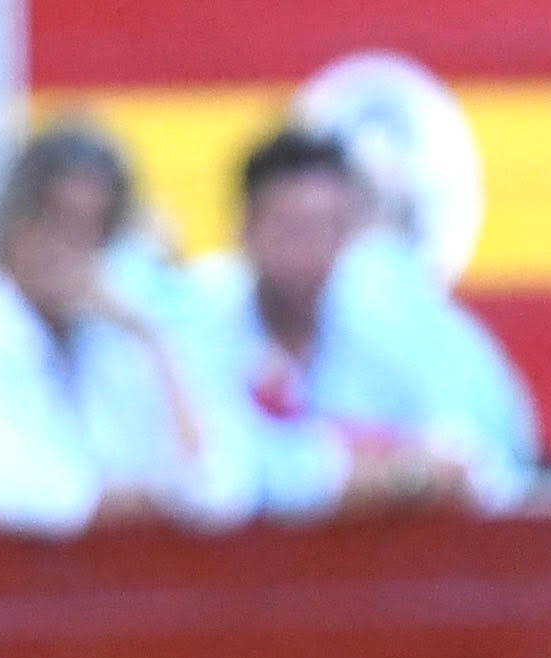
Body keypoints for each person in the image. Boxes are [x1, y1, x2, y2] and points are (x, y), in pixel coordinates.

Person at [0, 120, 258, 535]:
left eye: (93, 228)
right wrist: (156, 500)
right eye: (56, 221)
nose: (70, 248)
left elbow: (219, 489)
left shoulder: (115, 341)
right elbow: (20, 503)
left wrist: (152, 340)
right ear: (12, 227)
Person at [209, 124, 533, 515]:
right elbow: (208, 475)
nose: (307, 251)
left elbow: (486, 469)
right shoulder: (200, 327)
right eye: (290, 229)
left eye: (326, 229)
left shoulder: (405, 326)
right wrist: (379, 476)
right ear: (245, 230)